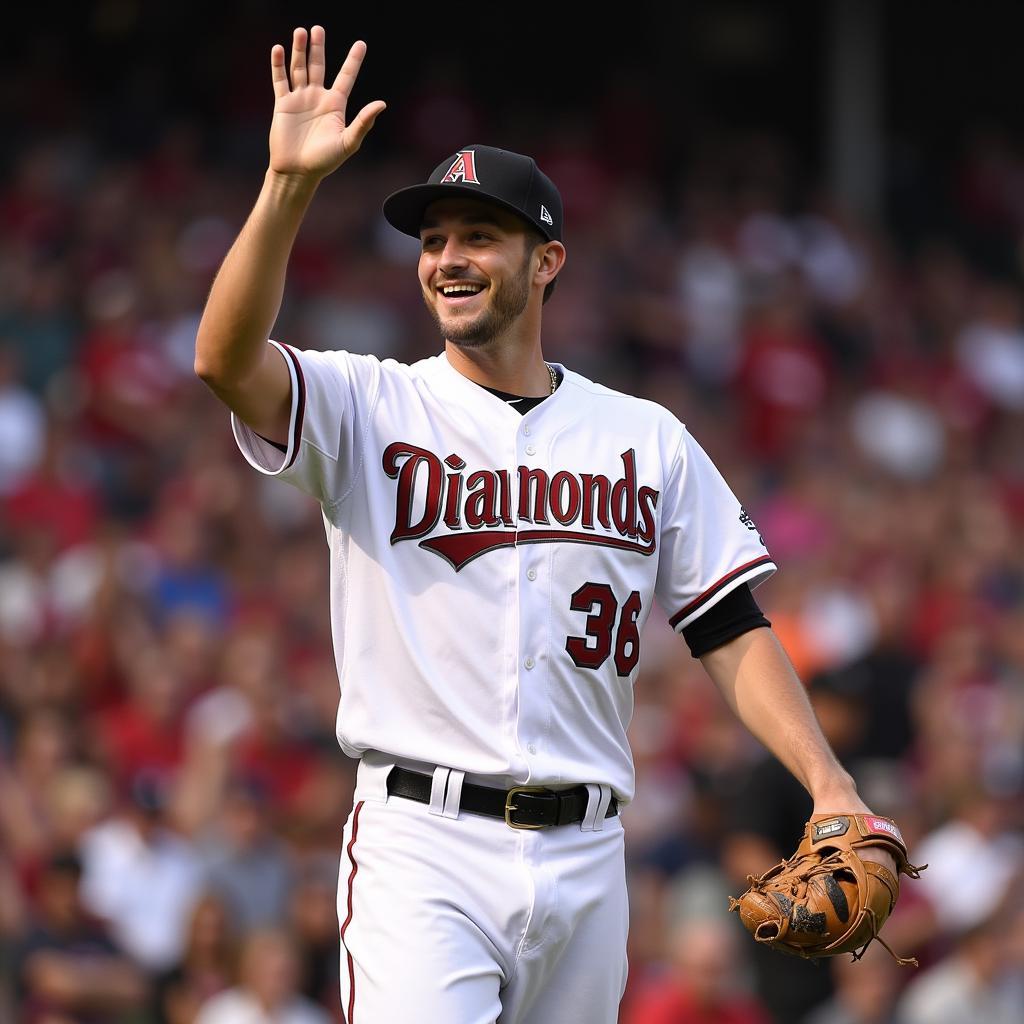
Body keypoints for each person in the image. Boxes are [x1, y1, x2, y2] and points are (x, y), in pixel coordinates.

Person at [193, 25, 899, 1024]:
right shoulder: (368, 404)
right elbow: (224, 359)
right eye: (433, 239)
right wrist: (286, 188)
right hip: (421, 846)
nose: (447, 258)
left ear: (547, 260)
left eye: (478, 235)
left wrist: (829, 784)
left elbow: (727, 626)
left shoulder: (644, 437)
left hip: (587, 855)